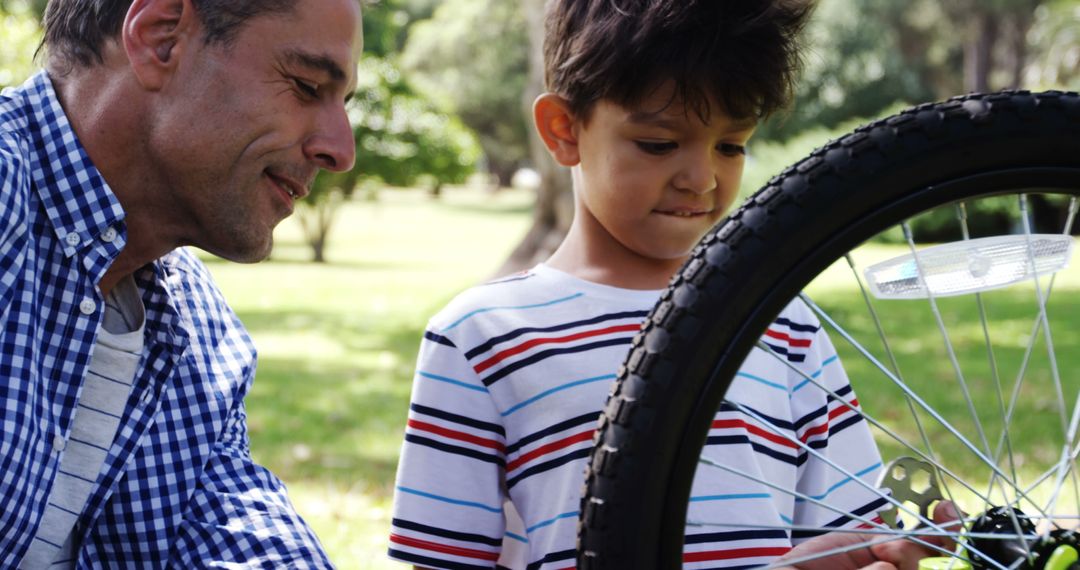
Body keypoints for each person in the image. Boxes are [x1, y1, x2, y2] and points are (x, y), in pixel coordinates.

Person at [388, 1, 954, 569]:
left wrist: (884, 554)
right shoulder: (479, 336)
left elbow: (849, 533)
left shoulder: (786, 324)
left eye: (731, 145)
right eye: (659, 144)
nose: (702, 177)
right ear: (564, 130)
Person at [0, 0, 361, 566]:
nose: (340, 150)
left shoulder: (199, 329)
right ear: (160, 39)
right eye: (306, 85)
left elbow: (238, 541)